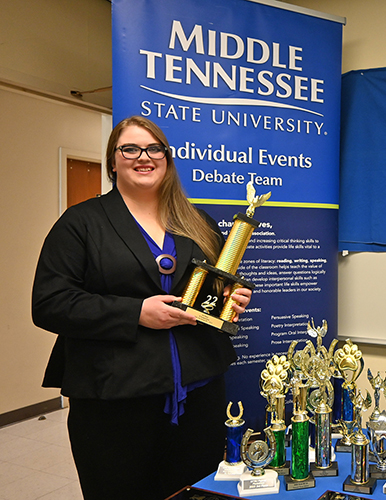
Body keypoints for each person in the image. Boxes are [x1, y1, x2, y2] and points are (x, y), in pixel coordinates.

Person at [31, 116, 253, 500]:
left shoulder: (197, 222)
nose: (143, 157)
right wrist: (135, 313)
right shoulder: (81, 224)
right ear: (112, 162)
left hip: (198, 398)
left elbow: (215, 291)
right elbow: (49, 303)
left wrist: (231, 301)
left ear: (167, 160)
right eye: (130, 149)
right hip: (115, 404)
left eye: (154, 149)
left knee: (194, 494)